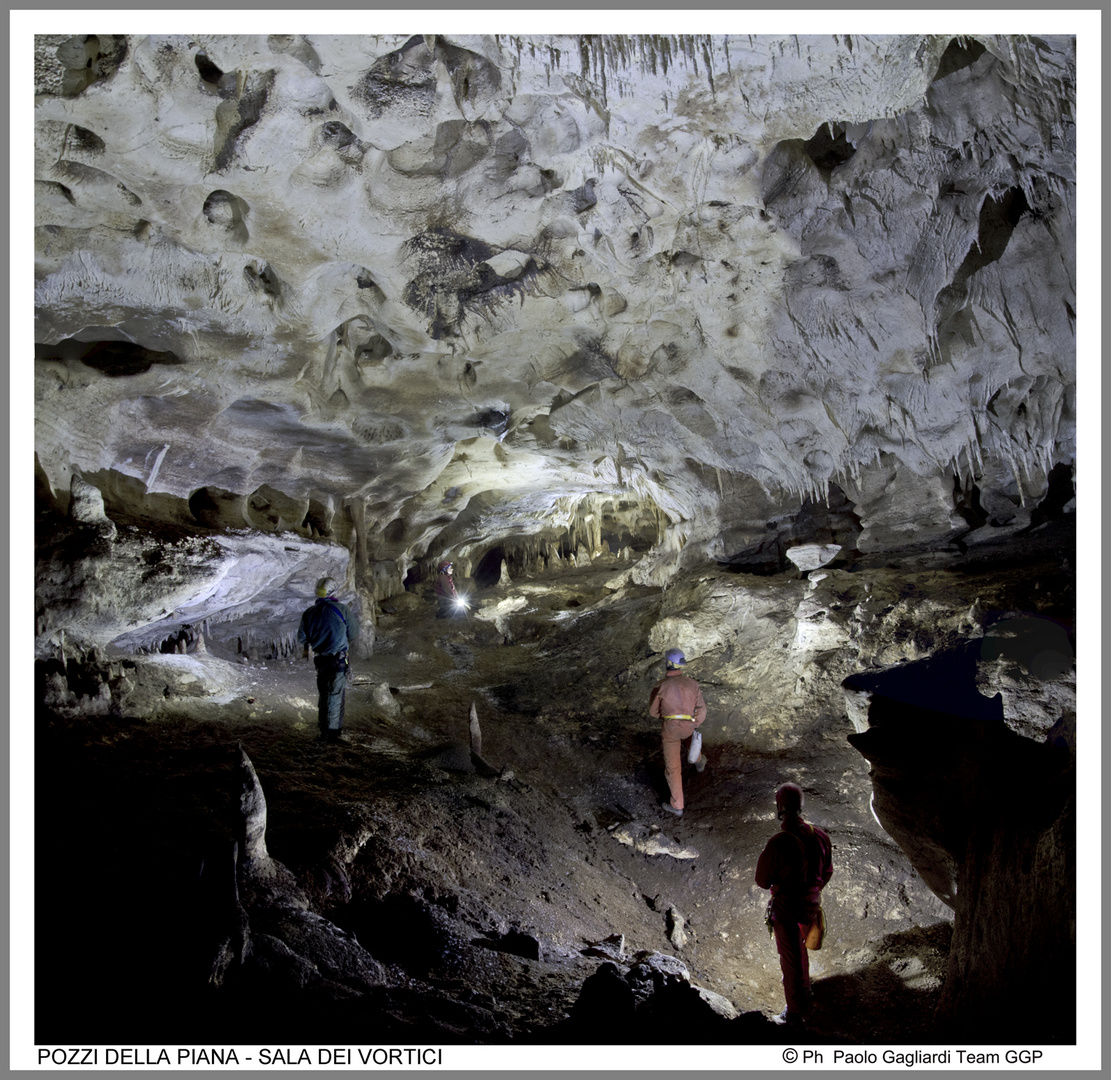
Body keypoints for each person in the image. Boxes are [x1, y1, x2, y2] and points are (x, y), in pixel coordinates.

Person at [755, 782, 834, 1026]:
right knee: (801, 952)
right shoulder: (820, 836)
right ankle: (806, 990)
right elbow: (827, 871)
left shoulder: (778, 842)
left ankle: (795, 1013)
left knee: (791, 959)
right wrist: (811, 891)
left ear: (780, 808)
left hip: (787, 909)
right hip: (810, 905)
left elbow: (762, 880)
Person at [297, 576, 360, 741]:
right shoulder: (342, 609)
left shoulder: (309, 613)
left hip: (320, 661)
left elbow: (302, 638)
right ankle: (332, 733)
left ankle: (323, 728)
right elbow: (353, 633)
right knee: (335, 696)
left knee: (324, 694)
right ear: (333, 591)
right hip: (337, 661)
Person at [648, 648, 707, 817]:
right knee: (690, 737)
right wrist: (693, 722)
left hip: (671, 729)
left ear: (668, 664)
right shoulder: (692, 684)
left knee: (673, 768)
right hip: (688, 726)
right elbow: (701, 710)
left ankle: (677, 806)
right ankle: (698, 761)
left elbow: (653, 712)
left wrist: (668, 718)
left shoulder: (661, 685)